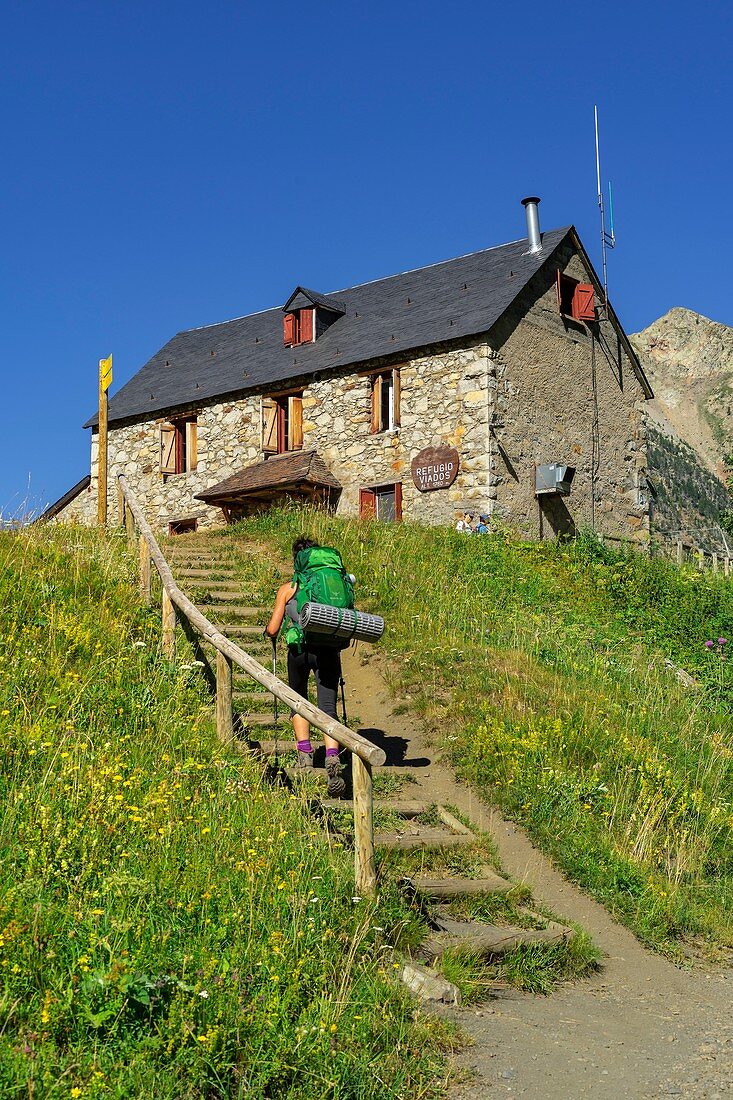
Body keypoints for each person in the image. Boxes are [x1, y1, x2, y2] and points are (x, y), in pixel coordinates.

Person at [264, 536, 346, 798]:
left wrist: (268, 632)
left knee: (298, 699)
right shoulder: (334, 584)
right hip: (329, 651)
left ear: (296, 560)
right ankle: (332, 756)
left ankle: (305, 753)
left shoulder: (288, 588)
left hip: (299, 651)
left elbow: (274, 628)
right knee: (328, 706)